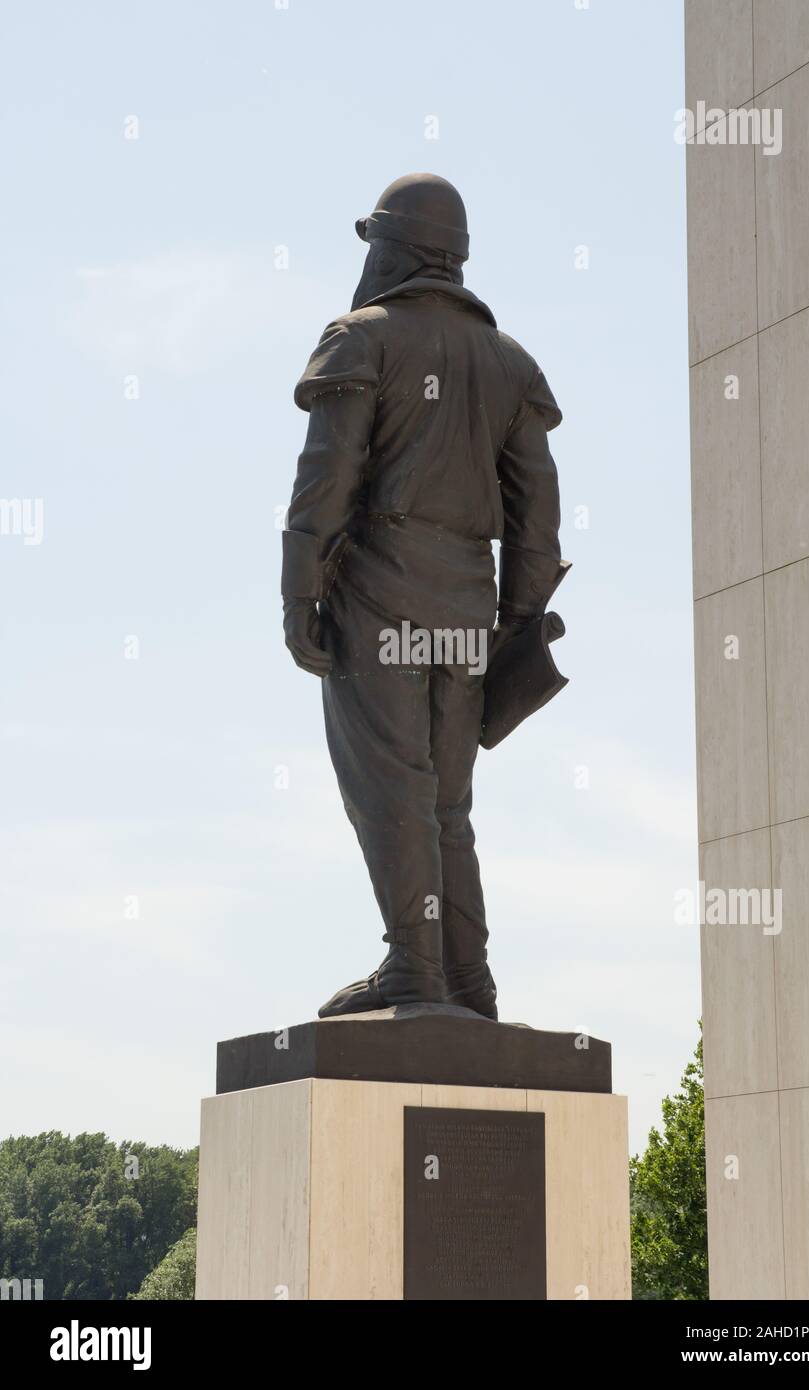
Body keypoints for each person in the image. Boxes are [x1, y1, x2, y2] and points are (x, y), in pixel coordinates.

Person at [282, 173, 567, 1021]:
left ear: (392, 248)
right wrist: (514, 626)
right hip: (467, 604)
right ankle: (465, 978)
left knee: (391, 785)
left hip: (381, 590)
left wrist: (299, 595)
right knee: (448, 799)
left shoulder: (359, 339)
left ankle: (414, 968)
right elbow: (538, 520)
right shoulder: (510, 363)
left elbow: (324, 483)